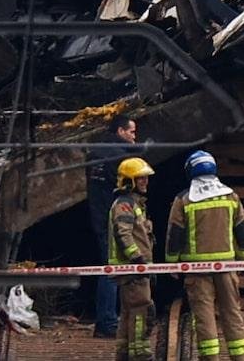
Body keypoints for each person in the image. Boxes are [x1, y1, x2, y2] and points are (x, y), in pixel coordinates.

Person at [165, 151, 244, 361]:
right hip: (227, 267)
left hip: (197, 269)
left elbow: (174, 234)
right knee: (232, 312)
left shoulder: (184, 199)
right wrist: (241, 259)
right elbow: (242, 232)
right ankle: (240, 356)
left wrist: (172, 263)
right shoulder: (231, 196)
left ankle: (210, 358)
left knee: (203, 316)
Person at [87, 114, 138, 337]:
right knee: (113, 271)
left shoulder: (94, 153)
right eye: (132, 132)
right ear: (120, 132)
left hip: (98, 217)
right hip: (114, 221)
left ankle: (107, 319)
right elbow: (127, 192)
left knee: (109, 269)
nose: (135, 137)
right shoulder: (120, 159)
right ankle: (107, 323)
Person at [107, 158, 157, 361]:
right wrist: (138, 259)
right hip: (132, 269)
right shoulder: (125, 205)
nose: (145, 181)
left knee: (128, 314)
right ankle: (140, 354)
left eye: (145, 177)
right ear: (129, 181)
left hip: (133, 268)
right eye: (140, 178)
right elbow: (123, 234)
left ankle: (124, 354)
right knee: (141, 310)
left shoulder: (132, 204)